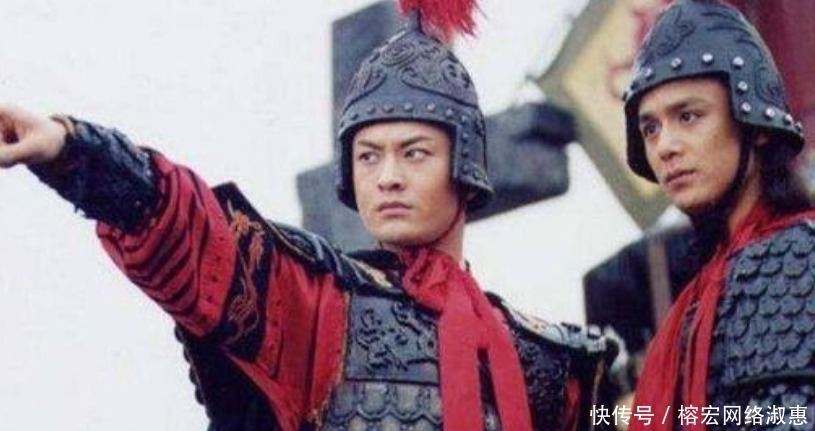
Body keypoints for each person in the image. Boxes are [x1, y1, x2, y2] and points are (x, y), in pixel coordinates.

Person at [0, 4, 614, 431]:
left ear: (466, 168)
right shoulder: (315, 305)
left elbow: (641, 416)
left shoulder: (551, 361)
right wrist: (68, 148)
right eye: (368, 156)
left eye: (414, 153)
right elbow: (190, 227)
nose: (388, 176)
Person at [621, 0, 815, 430]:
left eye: (688, 116)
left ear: (755, 126)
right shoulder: (701, 292)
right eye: (650, 128)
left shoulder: (795, 259)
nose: (665, 146)